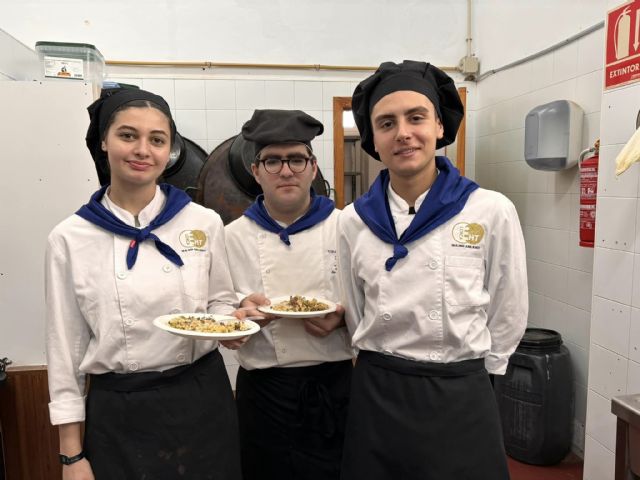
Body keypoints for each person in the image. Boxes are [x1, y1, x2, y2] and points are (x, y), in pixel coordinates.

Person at [337, 60, 528, 480]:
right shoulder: (352, 220)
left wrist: (483, 377)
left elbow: (509, 307)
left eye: (416, 117)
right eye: (386, 123)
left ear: (440, 127)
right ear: (374, 139)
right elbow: (355, 306)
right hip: (378, 392)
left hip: (461, 393)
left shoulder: (490, 210)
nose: (403, 132)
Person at [45, 88, 242, 480]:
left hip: (202, 398)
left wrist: (233, 323)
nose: (142, 150)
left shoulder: (202, 222)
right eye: (127, 135)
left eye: (157, 140)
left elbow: (220, 301)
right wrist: (71, 456)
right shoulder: (70, 238)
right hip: (120, 410)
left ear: (169, 149)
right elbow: (65, 351)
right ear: (104, 141)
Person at [223, 109, 353, 480]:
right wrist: (237, 318)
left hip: (334, 386)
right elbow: (217, 308)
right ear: (256, 171)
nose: (285, 170)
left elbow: (373, 305)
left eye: (296, 159)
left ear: (313, 168)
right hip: (263, 393)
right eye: (273, 160)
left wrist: (343, 316)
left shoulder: (346, 228)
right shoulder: (232, 236)